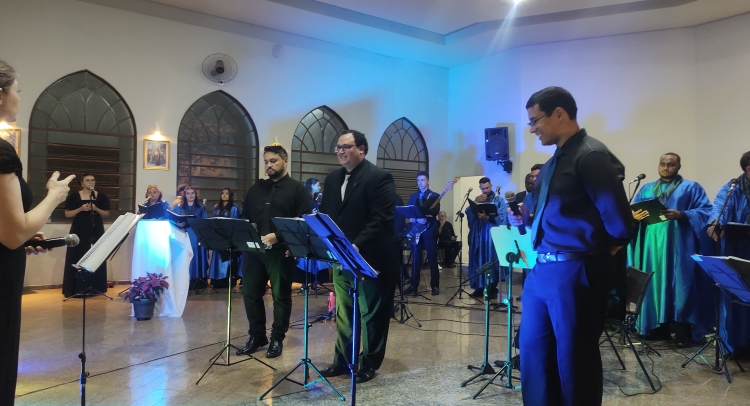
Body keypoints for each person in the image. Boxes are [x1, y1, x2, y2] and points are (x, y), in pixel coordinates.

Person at [508, 86, 633, 406]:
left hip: (574, 271)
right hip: (541, 270)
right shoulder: (553, 163)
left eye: (535, 121)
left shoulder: (591, 156)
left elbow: (620, 223)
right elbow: (542, 213)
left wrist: (601, 250)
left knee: (574, 363)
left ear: (560, 114)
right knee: (535, 357)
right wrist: (523, 216)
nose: (532, 129)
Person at [0, 59, 75, 405]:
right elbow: (13, 233)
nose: (19, 97)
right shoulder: (1, 151)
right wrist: (53, 197)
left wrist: (22, 235)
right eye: (17, 90)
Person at [318, 129, 399, 383]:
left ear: (361, 149)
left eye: (346, 147)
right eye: (338, 147)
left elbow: (381, 219)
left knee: (372, 314)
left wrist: (355, 245)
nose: (340, 151)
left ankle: (369, 363)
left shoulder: (379, 177)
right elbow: (327, 215)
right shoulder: (333, 179)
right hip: (342, 258)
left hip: (373, 257)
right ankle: (342, 361)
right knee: (345, 312)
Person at [628, 153, 715, 345]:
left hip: (679, 245)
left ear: (679, 166)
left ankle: (682, 329)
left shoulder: (691, 187)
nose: (666, 168)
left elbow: (706, 212)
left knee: (680, 285)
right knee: (653, 284)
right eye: (663, 164)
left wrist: (682, 215)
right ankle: (656, 328)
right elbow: (634, 212)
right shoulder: (646, 188)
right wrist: (634, 217)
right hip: (652, 248)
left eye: (671, 164)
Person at [236, 144, 311, 358]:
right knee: (250, 294)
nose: (269, 165)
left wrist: (278, 236)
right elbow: (245, 215)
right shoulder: (256, 189)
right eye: (266, 161)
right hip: (255, 251)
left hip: (280, 251)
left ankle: (277, 338)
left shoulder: (297, 189)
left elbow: (302, 221)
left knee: (281, 296)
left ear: (285, 161)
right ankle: (257, 335)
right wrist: (248, 226)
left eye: (273, 161)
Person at [706, 151, 750, 353]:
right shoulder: (732, 188)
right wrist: (714, 223)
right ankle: (736, 344)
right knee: (736, 296)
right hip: (737, 249)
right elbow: (718, 209)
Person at [62, 173, 111, 297]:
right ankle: (77, 287)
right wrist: (81, 209)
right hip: (79, 229)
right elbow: (67, 214)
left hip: (96, 229)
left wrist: (96, 208)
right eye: (87, 180)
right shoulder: (74, 196)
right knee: (77, 254)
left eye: (92, 180)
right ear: (82, 183)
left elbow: (106, 214)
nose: (90, 182)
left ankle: (95, 286)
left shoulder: (101, 196)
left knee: (96, 255)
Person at [465, 177, 506, 298]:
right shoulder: (478, 199)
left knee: (490, 259)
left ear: (491, 186)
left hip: (491, 234)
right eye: (483, 188)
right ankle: (479, 288)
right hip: (478, 233)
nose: (485, 190)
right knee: (478, 258)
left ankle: (491, 288)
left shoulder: (499, 200)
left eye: (487, 188)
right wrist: (475, 203)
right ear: (480, 188)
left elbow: (503, 218)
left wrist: (488, 217)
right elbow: (469, 212)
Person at [404, 171, 441, 296]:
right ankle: (413, 286)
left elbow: (435, 212)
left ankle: (435, 286)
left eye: (423, 180)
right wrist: (415, 219)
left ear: (428, 181)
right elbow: (409, 213)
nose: (420, 183)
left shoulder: (434, 195)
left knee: (432, 257)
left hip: (430, 228)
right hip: (416, 229)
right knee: (416, 258)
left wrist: (422, 216)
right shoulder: (413, 196)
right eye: (418, 180)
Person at [296, 177, 330, 290]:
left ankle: (315, 281)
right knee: (307, 257)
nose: (319, 187)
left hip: (315, 231)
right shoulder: (306, 201)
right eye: (318, 185)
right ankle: (306, 282)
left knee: (316, 257)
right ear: (312, 185)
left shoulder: (316, 201)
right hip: (306, 231)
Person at [171, 186, 209, 289]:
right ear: (184, 195)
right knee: (184, 256)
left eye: (193, 193)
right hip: (182, 234)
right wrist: (178, 223)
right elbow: (172, 218)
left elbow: (205, 221)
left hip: (196, 236)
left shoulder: (201, 208)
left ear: (195, 195)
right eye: (188, 193)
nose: (191, 195)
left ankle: (196, 279)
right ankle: (183, 280)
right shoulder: (178, 207)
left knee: (196, 256)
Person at [208, 188, 240, 289]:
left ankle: (227, 280)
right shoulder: (216, 207)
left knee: (227, 258)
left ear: (231, 196)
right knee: (217, 258)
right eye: (223, 193)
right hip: (218, 236)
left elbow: (235, 222)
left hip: (228, 236)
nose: (224, 195)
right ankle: (217, 279)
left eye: (227, 193)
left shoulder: (234, 208)